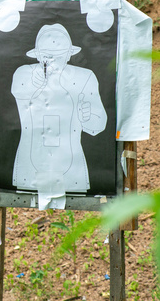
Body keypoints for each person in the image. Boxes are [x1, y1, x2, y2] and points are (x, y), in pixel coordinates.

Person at [11, 23, 107, 195]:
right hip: (30, 166)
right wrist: (35, 83)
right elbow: (19, 90)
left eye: (59, 56)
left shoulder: (85, 77)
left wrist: (88, 117)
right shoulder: (24, 74)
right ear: (38, 56)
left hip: (72, 167)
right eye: (48, 57)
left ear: (69, 55)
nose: (53, 62)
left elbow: (99, 125)